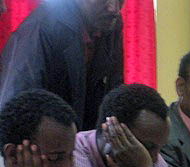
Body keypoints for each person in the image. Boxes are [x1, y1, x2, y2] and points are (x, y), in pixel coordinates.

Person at [0, 0, 124, 131]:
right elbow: (17, 113)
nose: (114, 9)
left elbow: (114, 95)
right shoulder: (42, 28)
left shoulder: (110, 23)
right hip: (44, 144)